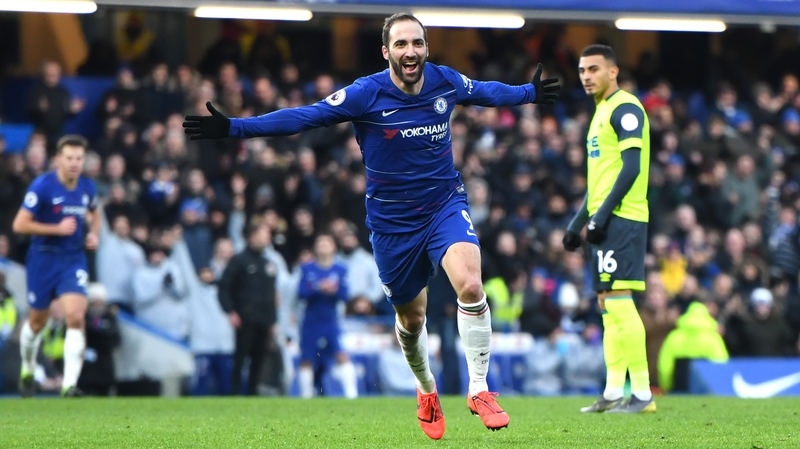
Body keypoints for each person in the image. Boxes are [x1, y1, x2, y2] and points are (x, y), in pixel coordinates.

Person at [184, 12, 560, 438]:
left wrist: (529, 92)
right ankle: (426, 390)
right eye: (401, 44)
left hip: (443, 206)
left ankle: (479, 389)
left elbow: (487, 92)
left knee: (472, 285)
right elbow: (303, 117)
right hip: (391, 224)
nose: (410, 51)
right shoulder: (366, 93)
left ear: (426, 47)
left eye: (417, 43)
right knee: (412, 319)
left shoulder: (444, 80)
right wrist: (234, 127)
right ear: (387, 52)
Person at [562, 44, 655, 413]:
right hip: (607, 217)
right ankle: (614, 390)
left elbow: (631, 169)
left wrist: (601, 217)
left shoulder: (625, 108)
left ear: (613, 72)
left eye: (594, 69)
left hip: (625, 217)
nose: (586, 76)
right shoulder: (600, 113)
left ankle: (644, 393)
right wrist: (577, 223)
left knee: (618, 301)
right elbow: (601, 180)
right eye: (582, 70)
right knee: (607, 305)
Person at [12, 135, 100, 397]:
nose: (74, 163)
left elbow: (95, 213)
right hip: (43, 258)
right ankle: (27, 367)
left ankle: (69, 385)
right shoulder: (43, 186)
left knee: (75, 316)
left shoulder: (87, 187)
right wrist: (56, 228)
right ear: (59, 159)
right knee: (38, 322)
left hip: (73, 259)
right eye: (69, 157)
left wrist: (94, 234)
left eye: (79, 158)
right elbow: (19, 224)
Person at [218, 221, 279, 396]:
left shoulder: (268, 263)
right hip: (244, 319)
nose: (267, 238)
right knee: (240, 359)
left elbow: (272, 295)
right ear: (252, 236)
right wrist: (230, 311)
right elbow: (224, 287)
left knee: (259, 360)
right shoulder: (239, 261)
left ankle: (252, 395)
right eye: (264, 234)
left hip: (264, 320)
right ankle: (234, 394)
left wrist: (273, 320)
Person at [296, 233, 358, 399]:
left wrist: (334, 290)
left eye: (326, 244)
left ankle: (352, 395)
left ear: (333, 248)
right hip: (311, 320)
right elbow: (301, 293)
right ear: (315, 248)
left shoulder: (340, 269)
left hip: (330, 319)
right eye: (320, 244)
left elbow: (345, 295)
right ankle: (306, 396)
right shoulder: (306, 268)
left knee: (341, 354)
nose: (323, 248)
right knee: (306, 358)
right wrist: (318, 288)